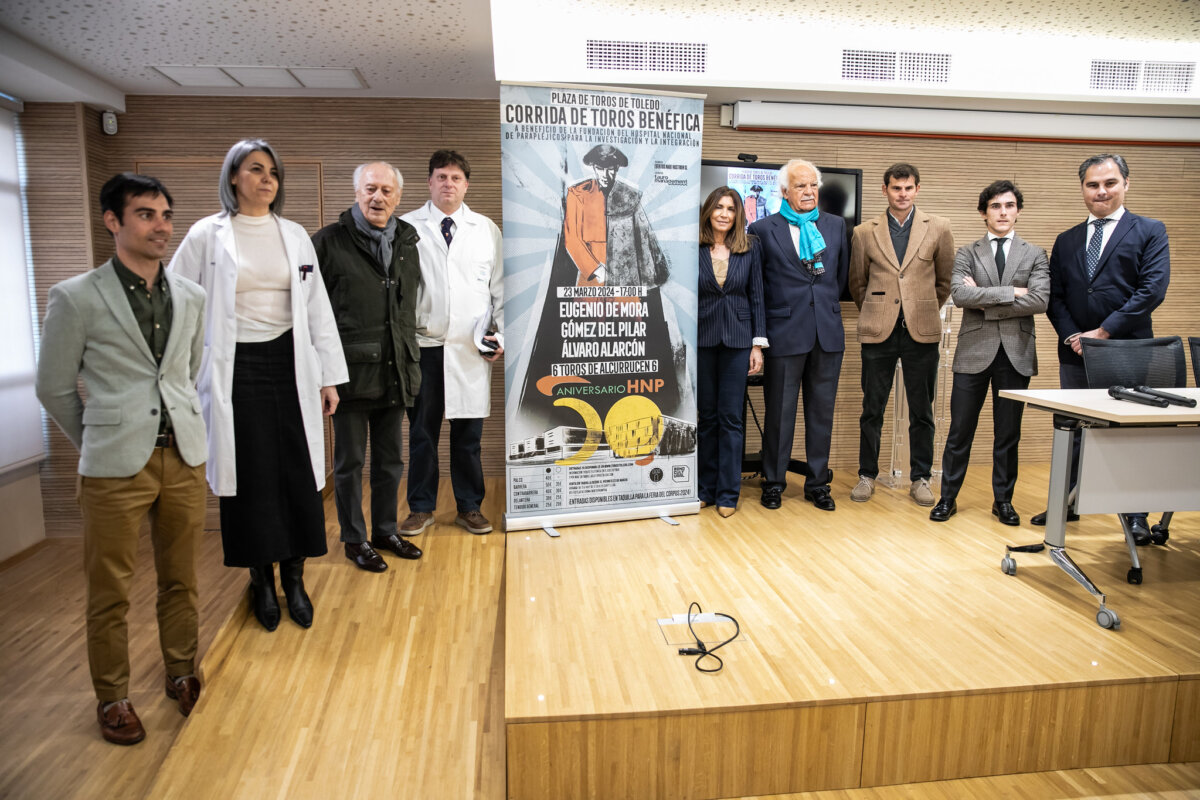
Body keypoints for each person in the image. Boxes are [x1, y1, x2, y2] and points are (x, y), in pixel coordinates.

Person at [36, 173, 207, 744]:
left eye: (165, 214)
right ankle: (112, 696)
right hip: (114, 466)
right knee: (109, 590)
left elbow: (184, 373)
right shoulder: (76, 296)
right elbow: (53, 386)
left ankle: (181, 671)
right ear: (112, 221)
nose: (161, 226)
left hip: (182, 456)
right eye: (145, 214)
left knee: (181, 580)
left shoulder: (191, 295)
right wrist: (99, 438)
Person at [169, 139, 347, 631]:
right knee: (250, 475)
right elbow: (176, 299)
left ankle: (295, 577)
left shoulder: (293, 234)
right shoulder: (206, 235)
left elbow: (317, 309)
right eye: (255, 169)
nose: (267, 179)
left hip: (290, 361)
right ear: (233, 177)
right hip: (234, 367)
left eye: (273, 172)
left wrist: (330, 377)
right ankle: (261, 581)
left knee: (296, 470)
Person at [1036, 154, 1170, 542]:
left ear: (1126, 184)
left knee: (1128, 434)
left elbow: (1152, 290)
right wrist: (1073, 337)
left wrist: (1104, 332)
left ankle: (1136, 515)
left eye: (1110, 183)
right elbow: (1055, 297)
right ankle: (1066, 504)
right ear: (1083, 189)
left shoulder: (1150, 230)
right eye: (1093, 185)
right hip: (1076, 352)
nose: (1101, 191)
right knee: (1072, 431)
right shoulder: (1066, 240)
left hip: (1128, 349)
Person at [313, 162, 423, 571]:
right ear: (357, 192)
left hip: (395, 370)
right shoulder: (327, 242)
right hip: (349, 375)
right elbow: (312, 312)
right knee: (349, 464)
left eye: (386, 191)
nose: (378, 197)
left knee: (391, 462)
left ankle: (385, 531)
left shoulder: (408, 241)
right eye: (370, 189)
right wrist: (323, 375)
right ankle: (354, 539)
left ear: (398, 197)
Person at [929, 181, 1049, 525]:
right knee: (959, 431)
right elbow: (960, 296)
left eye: (1009, 205)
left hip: (1016, 353)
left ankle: (1004, 501)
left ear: (1018, 211)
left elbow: (1040, 300)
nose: (1003, 212)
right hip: (973, 352)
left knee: (1008, 434)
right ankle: (947, 498)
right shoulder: (968, 253)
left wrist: (986, 298)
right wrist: (1014, 292)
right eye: (996, 206)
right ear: (984, 213)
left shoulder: (1035, 253)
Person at [400, 150, 503, 535]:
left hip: (470, 348)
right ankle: (421, 508)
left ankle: (469, 507)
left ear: (466, 185)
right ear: (429, 182)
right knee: (422, 433)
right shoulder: (406, 227)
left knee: (468, 436)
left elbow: (501, 290)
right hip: (422, 347)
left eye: (456, 178)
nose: (448, 184)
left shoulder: (486, 230)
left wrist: (501, 337)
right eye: (441, 177)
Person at [848, 163, 955, 507]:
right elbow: (858, 283)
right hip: (878, 330)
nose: (902, 194)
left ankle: (920, 477)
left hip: (920, 330)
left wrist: (918, 307)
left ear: (917, 189)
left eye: (908, 188)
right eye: (896, 188)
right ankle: (867, 475)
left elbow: (945, 281)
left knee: (922, 410)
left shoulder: (939, 227)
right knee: (872, 409)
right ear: (885, 190)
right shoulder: (864, 232)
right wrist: (881, 309)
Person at [749, 159, 849, 511]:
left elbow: (840, 278)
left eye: (813, 185)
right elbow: (757, 287)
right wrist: (759, 337)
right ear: (784, 191)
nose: (808, 192)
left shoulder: (836, 226)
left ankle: (818, 484)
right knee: (780, 414)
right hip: (784, 332)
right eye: (800, 186)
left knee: (822, 415)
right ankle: (774, 482)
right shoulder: (762, 229)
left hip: (827, 333)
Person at [697, 187, 766, 517]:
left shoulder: (750, 247)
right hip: (702, 339)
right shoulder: (694, 248)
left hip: (739, 342)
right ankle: (705, 489)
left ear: (738, 215)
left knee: (731, 419)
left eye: (730, 208)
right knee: (707, 419)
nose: (724, 214)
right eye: (718, 207)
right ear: (708, 211)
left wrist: (757, 344)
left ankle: (727, 493)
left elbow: (757, 296)